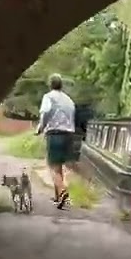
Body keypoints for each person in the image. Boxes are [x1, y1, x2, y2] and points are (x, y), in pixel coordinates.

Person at [36, 73, 76, 209]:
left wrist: (40, 128)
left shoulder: (48, 97)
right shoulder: (69, 99)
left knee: (53, 167)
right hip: (69, 134)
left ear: (50, 84)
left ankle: (63, 191)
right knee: (60, 166)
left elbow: (45, 113)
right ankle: (58, 197)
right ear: (61, 85)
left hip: (55, 134)